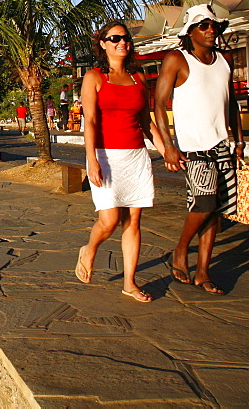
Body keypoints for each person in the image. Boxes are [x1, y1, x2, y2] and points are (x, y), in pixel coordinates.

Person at [154, 4, 244, 295]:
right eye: (203, 25)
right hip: (194, 147)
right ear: (189, 31)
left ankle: (203, 271)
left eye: (213, 25)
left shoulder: (224, 60)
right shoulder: (177, 60)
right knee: (203, 204)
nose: (210, 30)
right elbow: (158, 103)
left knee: (214, 211)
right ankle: (181, 250)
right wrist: (168, 146)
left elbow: (232, 105)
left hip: (222, 145)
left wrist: (239, 141)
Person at [76, 21, 166, 303]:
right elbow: (89, 121)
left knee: (133, 220)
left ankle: (129, 282)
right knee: (109, 220)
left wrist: (167, 151)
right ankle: (90, 248)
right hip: (106, 155)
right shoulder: (94, 77)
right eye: (114, 38)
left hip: (136, 156)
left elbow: (146, 123)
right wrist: (91, 159)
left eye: (125, 38)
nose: (121, 42)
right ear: (103, 44)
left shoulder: (139, 79)